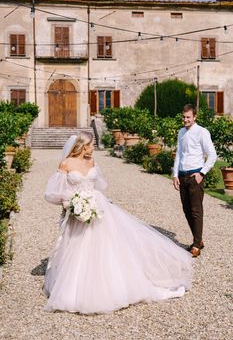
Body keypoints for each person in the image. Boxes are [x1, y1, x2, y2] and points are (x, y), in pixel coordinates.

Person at [43, 131, 192, 314]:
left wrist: (89, 201)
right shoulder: (65, 164)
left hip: (97, 206)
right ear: (82, 145)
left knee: (104, 246)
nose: (93, 147)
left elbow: (98, 185)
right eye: (91, 144)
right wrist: (71, 203)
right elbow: (53, 192)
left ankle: (110, 285)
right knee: (77, 247)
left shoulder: (91, 162)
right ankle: (75, 290)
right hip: (77, 210)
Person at [173, 104, 217, 258]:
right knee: (186, 210)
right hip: (182, 176)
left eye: (188, 117)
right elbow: (179, 154)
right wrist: (174, 175)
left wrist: (202, 173)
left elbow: (212, 155)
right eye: (183, 117)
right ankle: (198, 239)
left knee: (196, 211)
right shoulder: (181, 132)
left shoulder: (202, 132)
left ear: (194, 117)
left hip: (195, 177)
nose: (185, 120)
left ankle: (197, 244)